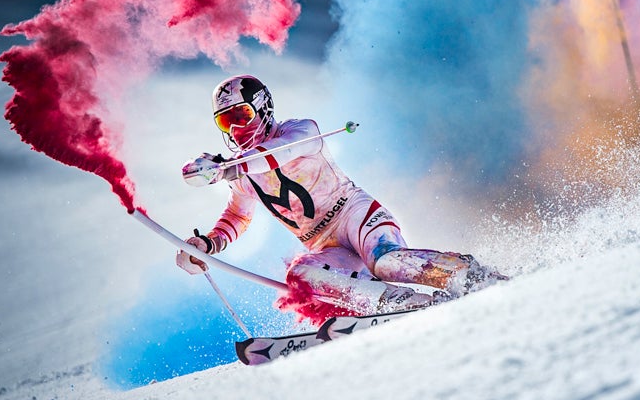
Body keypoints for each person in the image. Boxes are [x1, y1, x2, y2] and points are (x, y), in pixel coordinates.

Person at [176, 74, 505, 322]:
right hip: (324, 245)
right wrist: (206, 245)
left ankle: (466, 274)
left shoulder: (302, 132)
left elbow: (277, 154)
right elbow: (236, 217)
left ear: (262, 109)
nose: (235, 130)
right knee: (300, 276)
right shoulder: (243, 174)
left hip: (357, 217)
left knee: (386, 262)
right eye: (225, 121)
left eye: (240, 116)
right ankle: (400, 304)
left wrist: (226, 168)